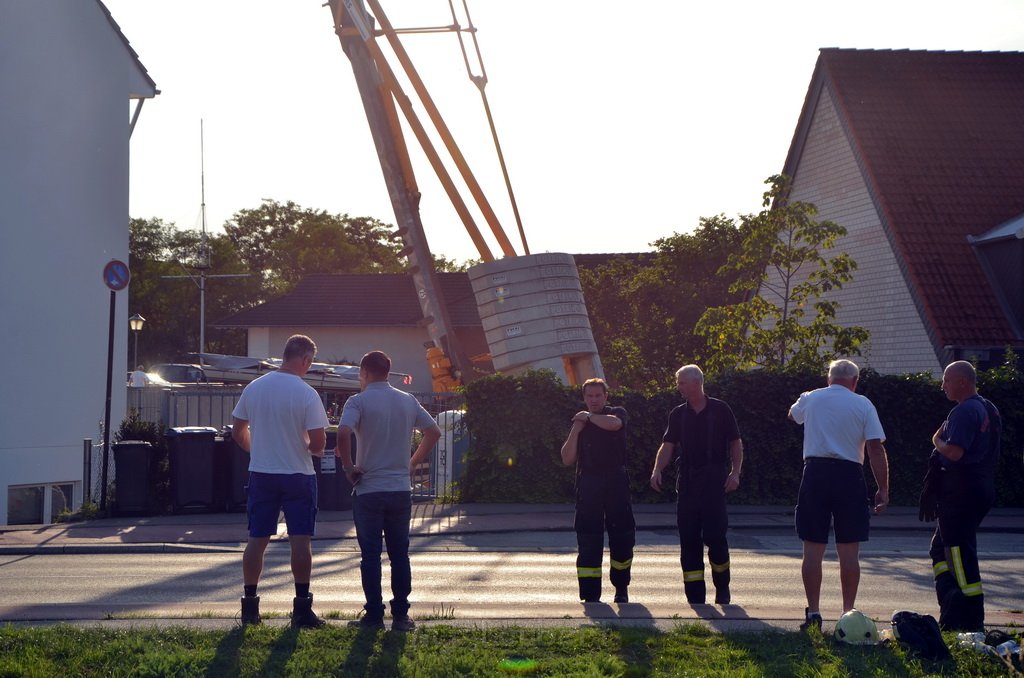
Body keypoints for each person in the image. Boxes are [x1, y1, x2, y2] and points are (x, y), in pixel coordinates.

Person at [336, 350, 442, 632]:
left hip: (369, 488)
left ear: (365, 373)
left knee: (370, 555)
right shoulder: (407, 400)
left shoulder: (357, 401)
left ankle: (373, 615)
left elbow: (344, 432)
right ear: (387, 371)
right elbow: (433, 432)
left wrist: (349, 467)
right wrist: (411, 462)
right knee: (400, 554)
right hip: (399, 489)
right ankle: (401, 615)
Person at [231, 334, 329, 628]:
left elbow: (238, 431)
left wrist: (255, 449)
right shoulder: (307, 393)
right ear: (305, 360)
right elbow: (318, 441)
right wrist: (313, 448)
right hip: (298, 475)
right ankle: (301, 609)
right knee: (300, 541)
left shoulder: (255, 387)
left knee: (256, 540)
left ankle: (250, 607)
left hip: (262, 473)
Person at [787, 359, 889, 632]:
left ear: (828, 378)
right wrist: (883, 488)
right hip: (849, 476)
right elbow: (875, 449)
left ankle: (814, 614)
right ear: (855, 381)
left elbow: (792, 415)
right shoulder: (863, 404)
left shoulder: (812, 398)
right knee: (849, 552)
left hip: (815, 474)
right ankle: (847, 614)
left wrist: (808, 403)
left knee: (812, 549)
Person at [650, 365, 743, 605]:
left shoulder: (721, 410)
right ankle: (695, 597)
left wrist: (735, 473)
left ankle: (722, 588)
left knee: (715, 537)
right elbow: (668, 445)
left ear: (696, 382)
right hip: (688, 482)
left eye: (681, 382)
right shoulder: (678, 414)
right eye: (678, 382)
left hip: (715, 481)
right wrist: (657, 469)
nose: (678, 387)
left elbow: (735, 443)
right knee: (689, 540)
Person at [926, 360, 1001, 631]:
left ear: (961, 381)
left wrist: (936, 440)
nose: (942, 385)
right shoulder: (988, 408)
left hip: (960, 492)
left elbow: (955, 452)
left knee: (956, 553)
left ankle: (963, 619)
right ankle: (954, 606)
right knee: (944, 548)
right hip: (980, 488)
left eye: (946, 380)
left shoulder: (963, 411)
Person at [560, 378, 635, 604]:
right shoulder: (581, 422)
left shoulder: (616, 413)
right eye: (589, 396)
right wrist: (576, 427)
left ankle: (621, 588)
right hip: (589, 485)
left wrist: (589, 417)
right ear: (584, 398)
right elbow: (567, 458)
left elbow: (615, 425)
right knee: (588, 540)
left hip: (616, 483)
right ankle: (590, 595)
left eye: (597, 396)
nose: (593, 400)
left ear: (606, 396)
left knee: (622, 537)